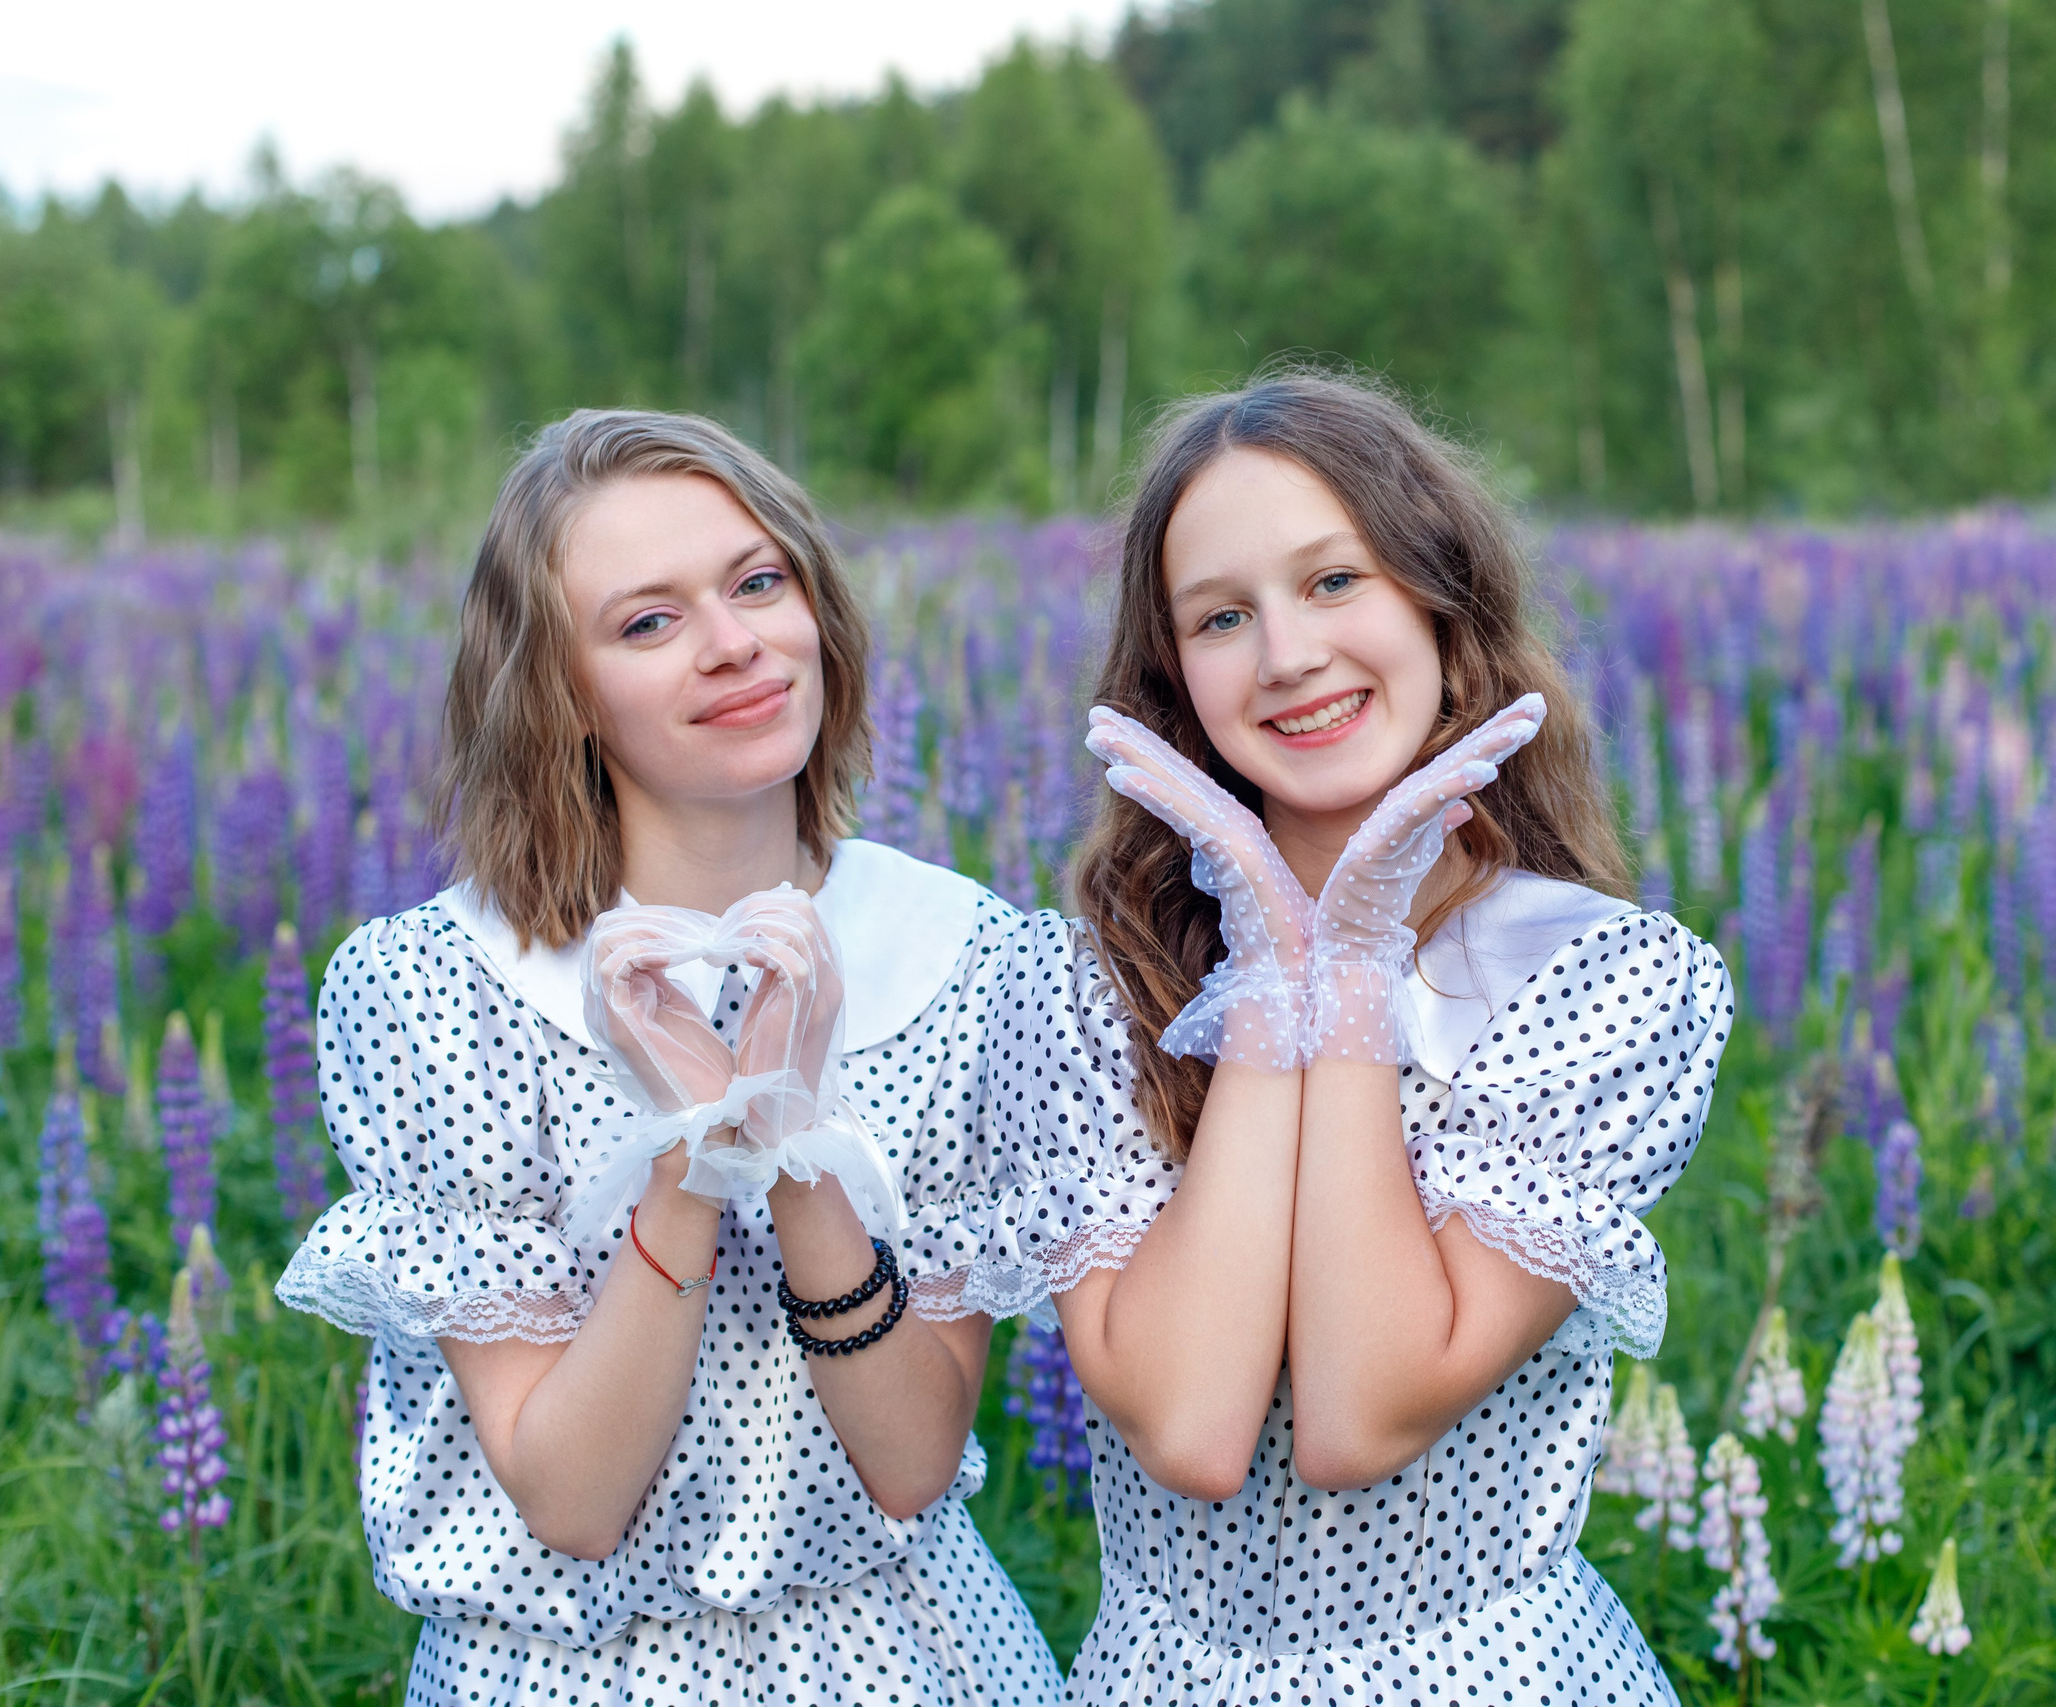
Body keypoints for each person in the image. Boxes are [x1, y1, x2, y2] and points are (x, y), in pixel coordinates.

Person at [948, 372, 1734, 1703]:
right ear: (1173, 679)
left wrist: (1357, 971)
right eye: (1222, 616)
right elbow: (1193, 1429)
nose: (1288, 656)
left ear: (1439, 599)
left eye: (1333, 582)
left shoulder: (1603, 980)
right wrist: (1271, 973)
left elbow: (1362, 1417)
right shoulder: (1079, 987)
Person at [275, 410, 1063, 1707]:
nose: (733, 642)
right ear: (562, 694)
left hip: (903, 1654)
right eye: (648, 622)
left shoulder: (961, 954)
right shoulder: (438, 988)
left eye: (758, 583)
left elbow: (913, 1464)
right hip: (569, 1673)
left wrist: (793, 1144)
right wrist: (692, 1161)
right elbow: (575, 1502)